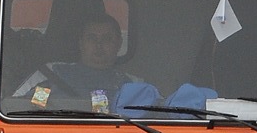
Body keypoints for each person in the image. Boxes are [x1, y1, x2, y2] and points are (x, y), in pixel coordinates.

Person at [11, 9, 157, 113]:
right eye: (92, 38)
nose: (99, 45)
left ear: (118, 43)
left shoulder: (135, 85)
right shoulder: (49, 75)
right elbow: (18, 108)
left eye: (106, 39)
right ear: (80, 42)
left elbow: (158, 113)